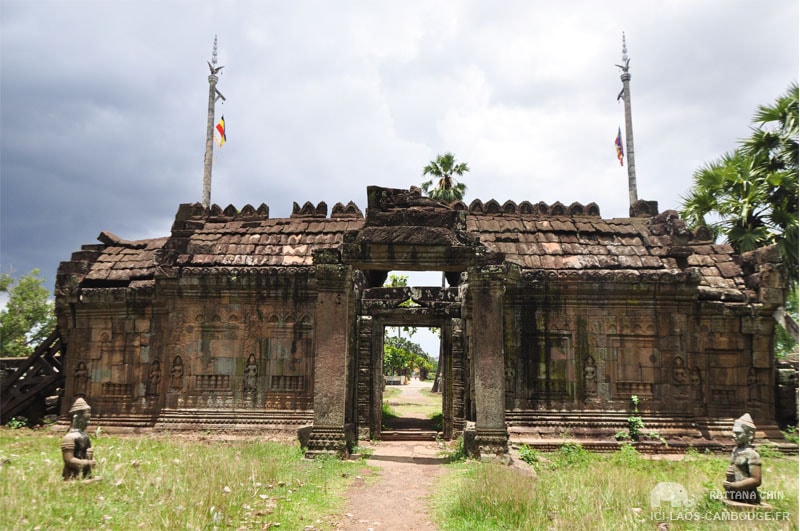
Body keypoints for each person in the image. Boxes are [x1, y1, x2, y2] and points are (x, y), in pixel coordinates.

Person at [722, 413, 761, 505]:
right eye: (734, 433)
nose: (734, 436)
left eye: (738, 433)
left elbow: (756, 480)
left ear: (749, 435)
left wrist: (735, 486)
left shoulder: (752, 454)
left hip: (748, 496)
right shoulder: (735, 450)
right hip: (732, 494)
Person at [61, 398, 97, 480]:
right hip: (71, 475)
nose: (88, 422)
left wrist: (90, 457)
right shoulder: (69, 438)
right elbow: (69, 460)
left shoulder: (85, 436)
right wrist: (87, 463)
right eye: (85, 419)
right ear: (76, 418)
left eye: (89, 419)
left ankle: (86, 477)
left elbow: (87, 454)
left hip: (86, 473)